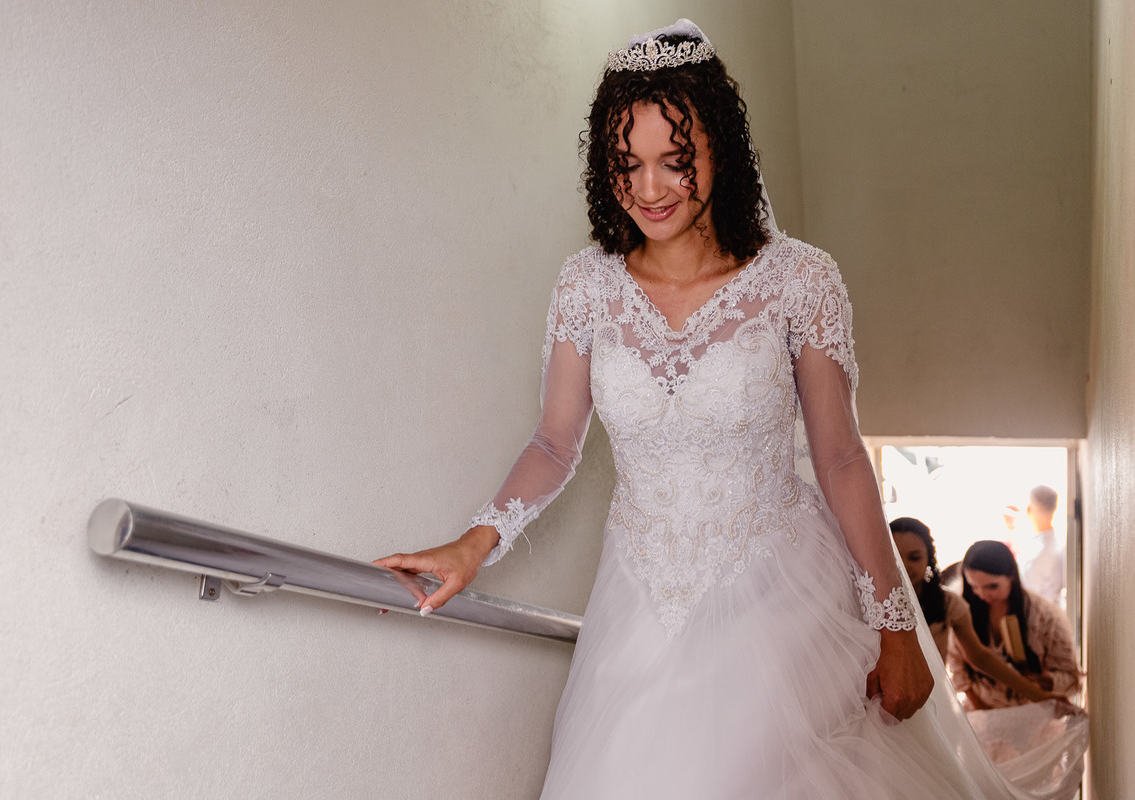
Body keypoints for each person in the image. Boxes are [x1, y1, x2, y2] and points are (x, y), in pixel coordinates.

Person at [377, 20, 1074, 799]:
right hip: (637, 605)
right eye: (626, 165)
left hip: (777, 595)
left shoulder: (799, 280)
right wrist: (472, 547)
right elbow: (554, 441)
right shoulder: (587, 287)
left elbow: (841, 459)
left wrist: (896, 624)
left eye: (676, 162)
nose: (649, 190)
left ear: (724, 153)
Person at [890, 517, 1061, 701]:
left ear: (929, 558)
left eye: (914, 557)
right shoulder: (871, 600)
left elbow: (980, 657)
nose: (905, 566)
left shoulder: (948, 603)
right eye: (896, 556)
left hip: (930, 698)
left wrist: (1040, 696)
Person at [949, 540, 1082, 711]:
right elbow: (958, 669)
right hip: (980, 714)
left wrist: (1044, 680)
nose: (982, 594)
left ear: (1012, 576)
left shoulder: (1044, 616)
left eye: (992, 586)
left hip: (1035, 715)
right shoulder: (963, 610)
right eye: (974, 586)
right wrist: (982, 710)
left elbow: (1071, 679)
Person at [1015, 485, 1066, 606]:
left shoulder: (1036, 555)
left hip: (1038, 616)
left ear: (1029, 509)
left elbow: (1028, 599)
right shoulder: (1060, 545)